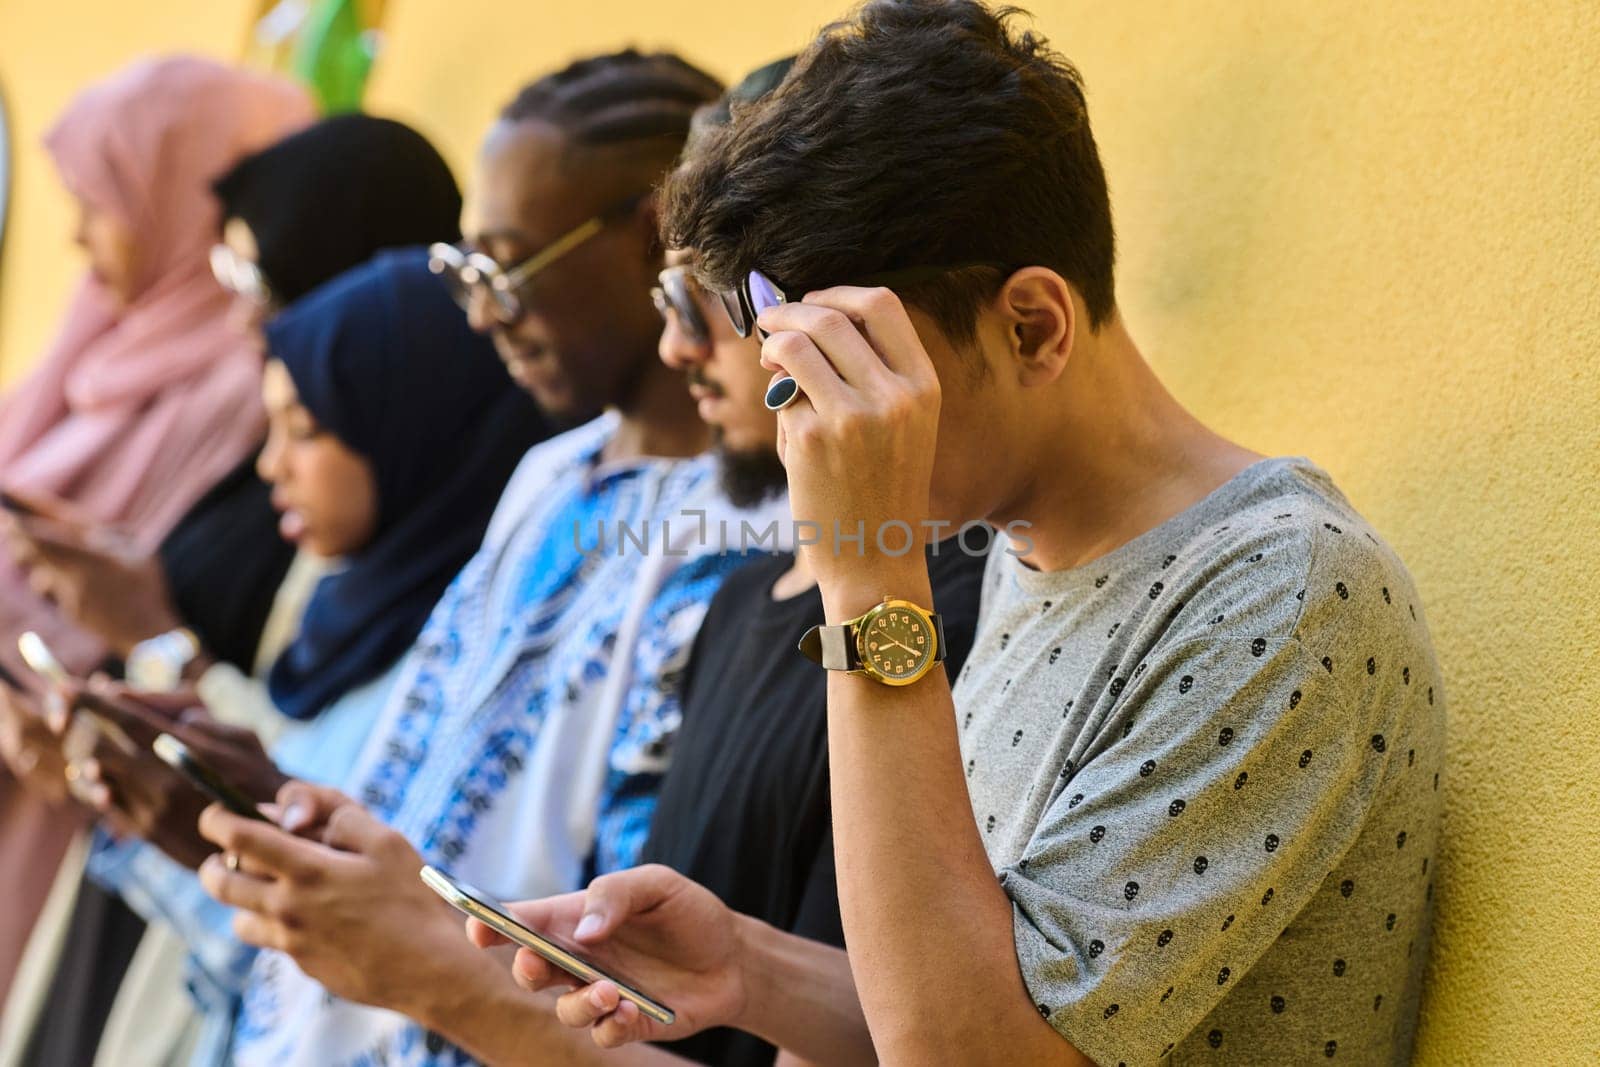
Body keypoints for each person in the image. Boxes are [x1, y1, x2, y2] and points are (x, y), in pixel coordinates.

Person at [475, 3, 1448, 1065]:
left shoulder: (1281, 594)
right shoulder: (1022, 550)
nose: (818, 438)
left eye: (846, 378)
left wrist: (869, 585)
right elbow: (985, 1002)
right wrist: (754, 969)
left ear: (1030, 325)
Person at [195, 50, 794, 1067]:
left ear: (657, 234)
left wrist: (434, 962)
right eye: (462, 270)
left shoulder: (759, 527)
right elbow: (433, 751)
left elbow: (640, 923)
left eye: (504, 266)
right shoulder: (553, 474)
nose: (480, 312)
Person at [0, 114, 469, 1067]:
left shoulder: (449, 626)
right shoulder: (345, 561)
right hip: (158, 906)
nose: (270, 463)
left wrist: (157, 644)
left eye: (251, 277)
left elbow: (321, 792)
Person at [55, 247, 549, 1067]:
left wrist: (166, 658)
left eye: (306, 428)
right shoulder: (340, 604)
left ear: (406, 422)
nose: (269, 464)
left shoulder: (474, 652)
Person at [0, 54, 312, 1011]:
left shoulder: (243, 389)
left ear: (177, 197)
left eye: (103, 202)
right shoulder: (97, 337)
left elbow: (103, 609)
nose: (80, 237)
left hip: (81, 797)